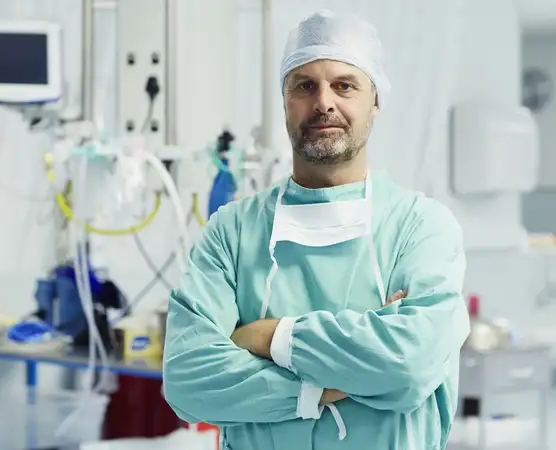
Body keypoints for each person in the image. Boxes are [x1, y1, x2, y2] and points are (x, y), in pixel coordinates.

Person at [163, 9, 470, 450]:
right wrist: (315, 390)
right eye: (304, 86)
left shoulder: (420, 227)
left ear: (376, 101)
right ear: (285, 101)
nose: (324, 101)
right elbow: (188, 379)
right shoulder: (230, 234)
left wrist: (269, 337)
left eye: (345, 85)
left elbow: (408, 364)